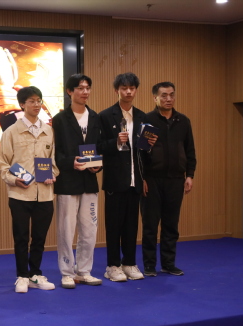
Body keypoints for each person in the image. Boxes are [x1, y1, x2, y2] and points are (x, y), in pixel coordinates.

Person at [0, 86, 59, 293]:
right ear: (22, 104)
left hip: (45, 194)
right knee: (21, 237)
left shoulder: (49, 131)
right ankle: (22, 275)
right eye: (32, 101)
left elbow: (54, 162)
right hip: (20, 194)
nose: (36, 104)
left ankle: (35, 274)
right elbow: (3, 164)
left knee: (40, 238)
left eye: (39, 100)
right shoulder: (11, 132)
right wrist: (14, 180)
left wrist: (53, 174)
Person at [98, 73, 156, 282]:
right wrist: (115, 141)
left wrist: (145, 175)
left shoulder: (143, 117)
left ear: (136, 90)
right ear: (117, 90)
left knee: (132, 226)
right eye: (124, 88)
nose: (128, 91)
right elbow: (98, 147)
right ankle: (113, 266)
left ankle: (129, 263)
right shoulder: (106, 116)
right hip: (115, 180)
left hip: (136, 180)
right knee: (114, 226)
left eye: (132, 88)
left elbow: (145, 153)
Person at [141, 82, 196, 276]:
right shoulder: (147, 120)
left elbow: (190, 150)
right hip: (152, 180)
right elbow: (140, 153)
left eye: (171, 95)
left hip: (176, 180)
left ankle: (168, 263)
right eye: (164, 95)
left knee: (171, 225)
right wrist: (142, 178)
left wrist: (190, 175)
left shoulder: (183, 121)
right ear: (155, 97)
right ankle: (149, 265)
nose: (168, 99)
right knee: (150, 225)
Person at [53, 74, 103, 289]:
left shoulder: (95, 117)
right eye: (80, 88)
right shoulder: (59, 119)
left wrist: (98, 165)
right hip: (67, 182)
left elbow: (99, 148)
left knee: (89, 229)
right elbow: (54, 153)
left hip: (89, 182)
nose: (85, 92)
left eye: (87, 88)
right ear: (69, 91)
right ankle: (67, 272)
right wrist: (69, 162)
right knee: (66, 230)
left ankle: (84, 271)